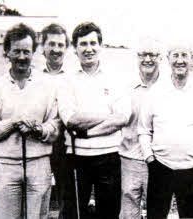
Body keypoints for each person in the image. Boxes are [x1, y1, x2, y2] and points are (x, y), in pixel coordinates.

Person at [0, 23, 60, 219]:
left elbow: (55, 124)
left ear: (34, 52)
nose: (22, 57)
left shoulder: (47, 85)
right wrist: (14, 122)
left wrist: (38, 129)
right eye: (16, 51)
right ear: (7, 52)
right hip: (5, 165)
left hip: (39, 162)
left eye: (26, 51)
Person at [138, 42, 193, 219]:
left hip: (192, 170)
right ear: (168, 59)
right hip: (160, 167)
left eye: (184, 55)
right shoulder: (156, 91)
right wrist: (150, 158)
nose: (180, 60)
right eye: (175, 55)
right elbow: (144, 129)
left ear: (192, 59)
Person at [57, 21, 130, 219]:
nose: (88, 49)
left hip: (109, 156)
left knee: (108, 213)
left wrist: (88, 132)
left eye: (93, 43)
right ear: (75, 48)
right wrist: (108, 115)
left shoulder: (115, 78)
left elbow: (122, 117)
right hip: (76, 157)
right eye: (83, 44)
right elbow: (71, 120)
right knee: (74, 214)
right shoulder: (66, 81)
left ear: (101, 45)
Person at [119, 37, 161, 219]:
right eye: (143, 55)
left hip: (159, 160)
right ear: (137, 58)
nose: (147, 59)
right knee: (129, 210)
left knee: (157, 208)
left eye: (152, 55)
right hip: (130, 158)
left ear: (160, 58)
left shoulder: (167, 88)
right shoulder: (126, 87)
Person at [41, 23, 69, 219]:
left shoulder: (72, 78)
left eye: (60, 45)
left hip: (66, 144)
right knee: (39, 193)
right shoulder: (33, 77)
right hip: (40, 142)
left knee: (66, 197)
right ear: (42, 47)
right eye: (51, 44)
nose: (56, 49)